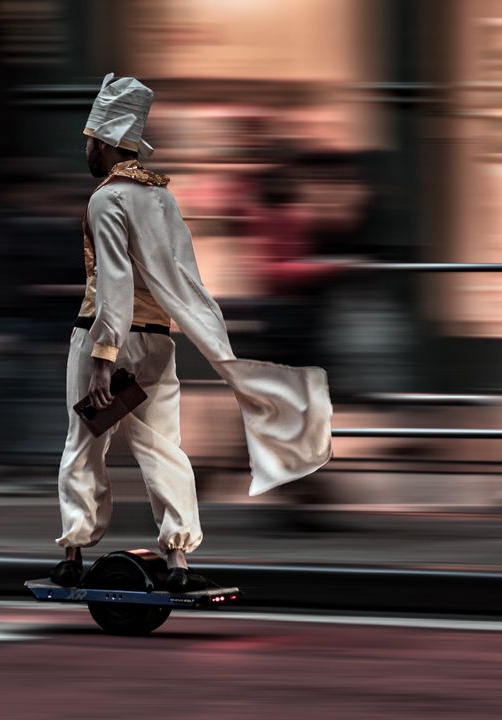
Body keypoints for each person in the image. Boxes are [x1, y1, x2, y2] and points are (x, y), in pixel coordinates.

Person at [53, 74, 333, 592]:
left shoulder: (106, 200)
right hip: (159, 342)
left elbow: (115, 282)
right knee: (164, 447)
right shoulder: (160, 198)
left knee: (85, 443)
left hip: (105, 339)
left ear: (108, 142)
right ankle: (178, 562)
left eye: (90, 140)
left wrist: (103, 356)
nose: (86, 149)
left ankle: (72, 553)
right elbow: (181, 275)